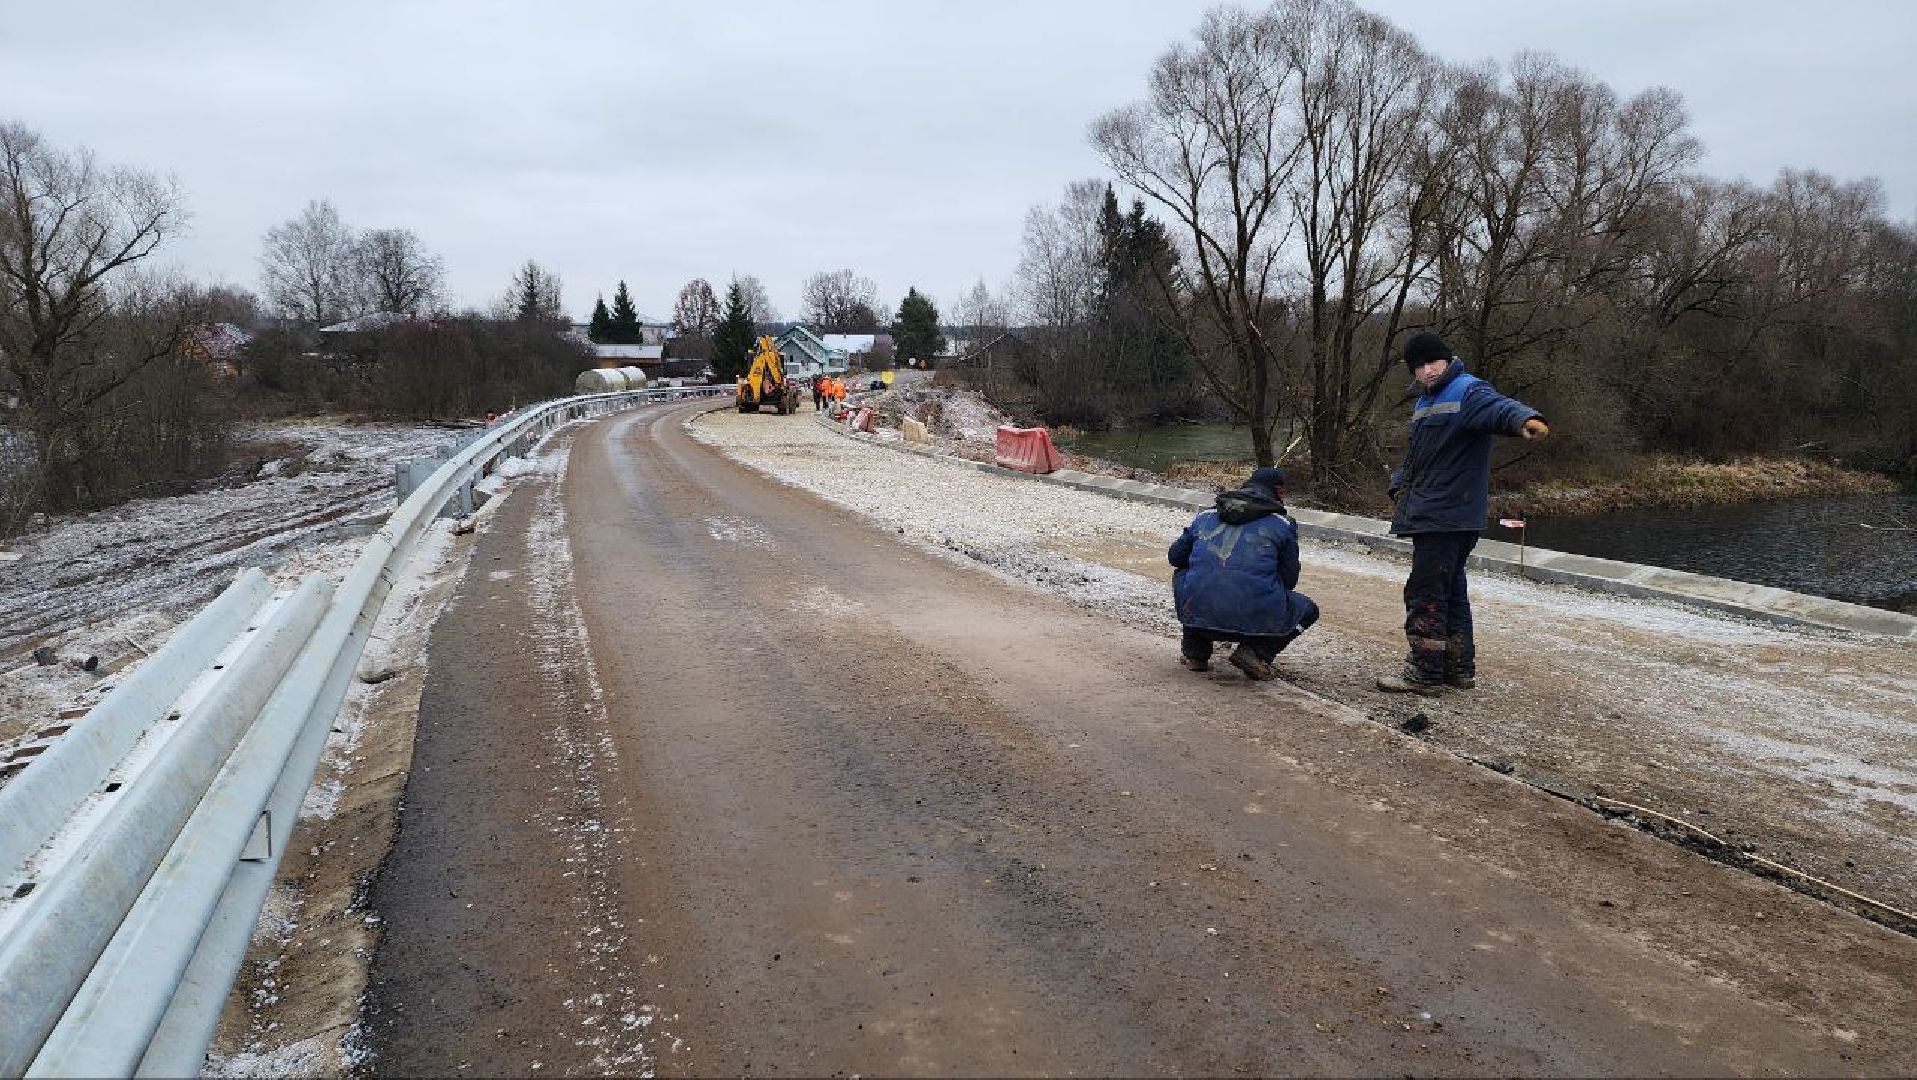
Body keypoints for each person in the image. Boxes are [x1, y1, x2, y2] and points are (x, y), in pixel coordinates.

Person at [1377, 331, 1549, 695]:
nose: (1426, 371)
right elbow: (1419, 455)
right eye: (1418, 366)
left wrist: (1525, 420)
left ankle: (1425, 673)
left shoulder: (1468, 390)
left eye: (1432, 362)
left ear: (1447, 359)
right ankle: (1457, 669)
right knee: (1451, 591)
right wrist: (1399, 484)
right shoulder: (1426, 401)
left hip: (1446, 514)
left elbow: (1499, 407)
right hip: (1438, 511)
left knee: (1425, 593)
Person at [1168, 467, 1320, 680]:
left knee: (1187, 575)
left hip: (1200, 615)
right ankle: (1256, 652)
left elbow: (1175, 557)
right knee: (1309, 610)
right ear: (1279, 491)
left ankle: (1196, 653)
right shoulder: (1283, 524)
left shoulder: (1206, 516)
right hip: (1255, 624)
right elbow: (1289, 580)